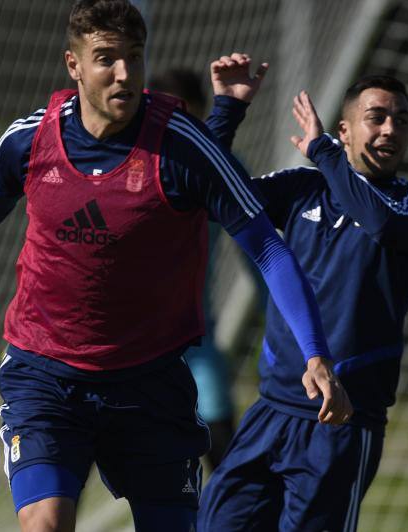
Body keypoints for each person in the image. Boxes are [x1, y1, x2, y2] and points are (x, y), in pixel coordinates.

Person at [0, 2, 351, 530]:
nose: (124, 72)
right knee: (44, 523)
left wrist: (315, 353)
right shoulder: (32, 138)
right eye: (106, 58)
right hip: (46, 370)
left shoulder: (183, 148)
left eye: (134, 57)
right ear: (73, 65)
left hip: (149, 380)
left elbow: (267, 246)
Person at [197, 76, 408, 531]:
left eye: (401, 120)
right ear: (345, 130)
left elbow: (378, 222)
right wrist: (227, 111)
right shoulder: (301, 188)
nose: (390, 129)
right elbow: (215, 194)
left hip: (342, 422)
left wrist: (325, 154)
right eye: (376, 117)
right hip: (270, 410)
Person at [147, 67, 235, 469]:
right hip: (130, 346)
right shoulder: (132, 164)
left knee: (223, 454)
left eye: (187, 114)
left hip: (196, 341)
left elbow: (263, 257)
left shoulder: (222, 170)